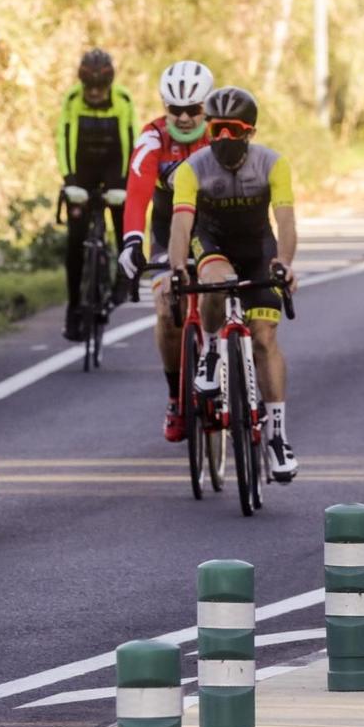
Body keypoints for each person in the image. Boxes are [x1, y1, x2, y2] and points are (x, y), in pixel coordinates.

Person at [166, 87, 299, 482]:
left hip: (259, 248)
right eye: (216, 128)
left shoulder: (273, 164)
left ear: (250, 132)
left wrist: (285, 263)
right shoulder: (193, 168)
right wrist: (177, 267)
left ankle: (276, 435)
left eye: (233, 130)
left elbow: (287, 220)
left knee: (263, 338)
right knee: (215, 282)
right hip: (213, 242)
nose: (222, 138)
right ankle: (209, 350)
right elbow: (181, 222)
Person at [118, 59, 214, 443]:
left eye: (194, 110)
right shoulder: (153, 137)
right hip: (166, 227)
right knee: (167, 310)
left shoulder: (220, 134)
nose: (186, 118)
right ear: (164, 107)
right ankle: (176, 397)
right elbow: (137, 192)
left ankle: (220, 357)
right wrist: (131, 241)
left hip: (212, 226)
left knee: (217, 293)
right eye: (176, 109)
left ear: (207, 107)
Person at [55, 48, 136, 342]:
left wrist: (126, 184)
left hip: (114, 168)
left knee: (124, 225)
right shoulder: (73, 99)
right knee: (75, 241)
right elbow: (63, 138)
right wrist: (69, 181)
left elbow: (130, 142)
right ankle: (75, 305)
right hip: (82, 170)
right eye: (90, 88)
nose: (95, 94)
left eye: (100, 89)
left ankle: (121, 282)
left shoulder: (123, 100)